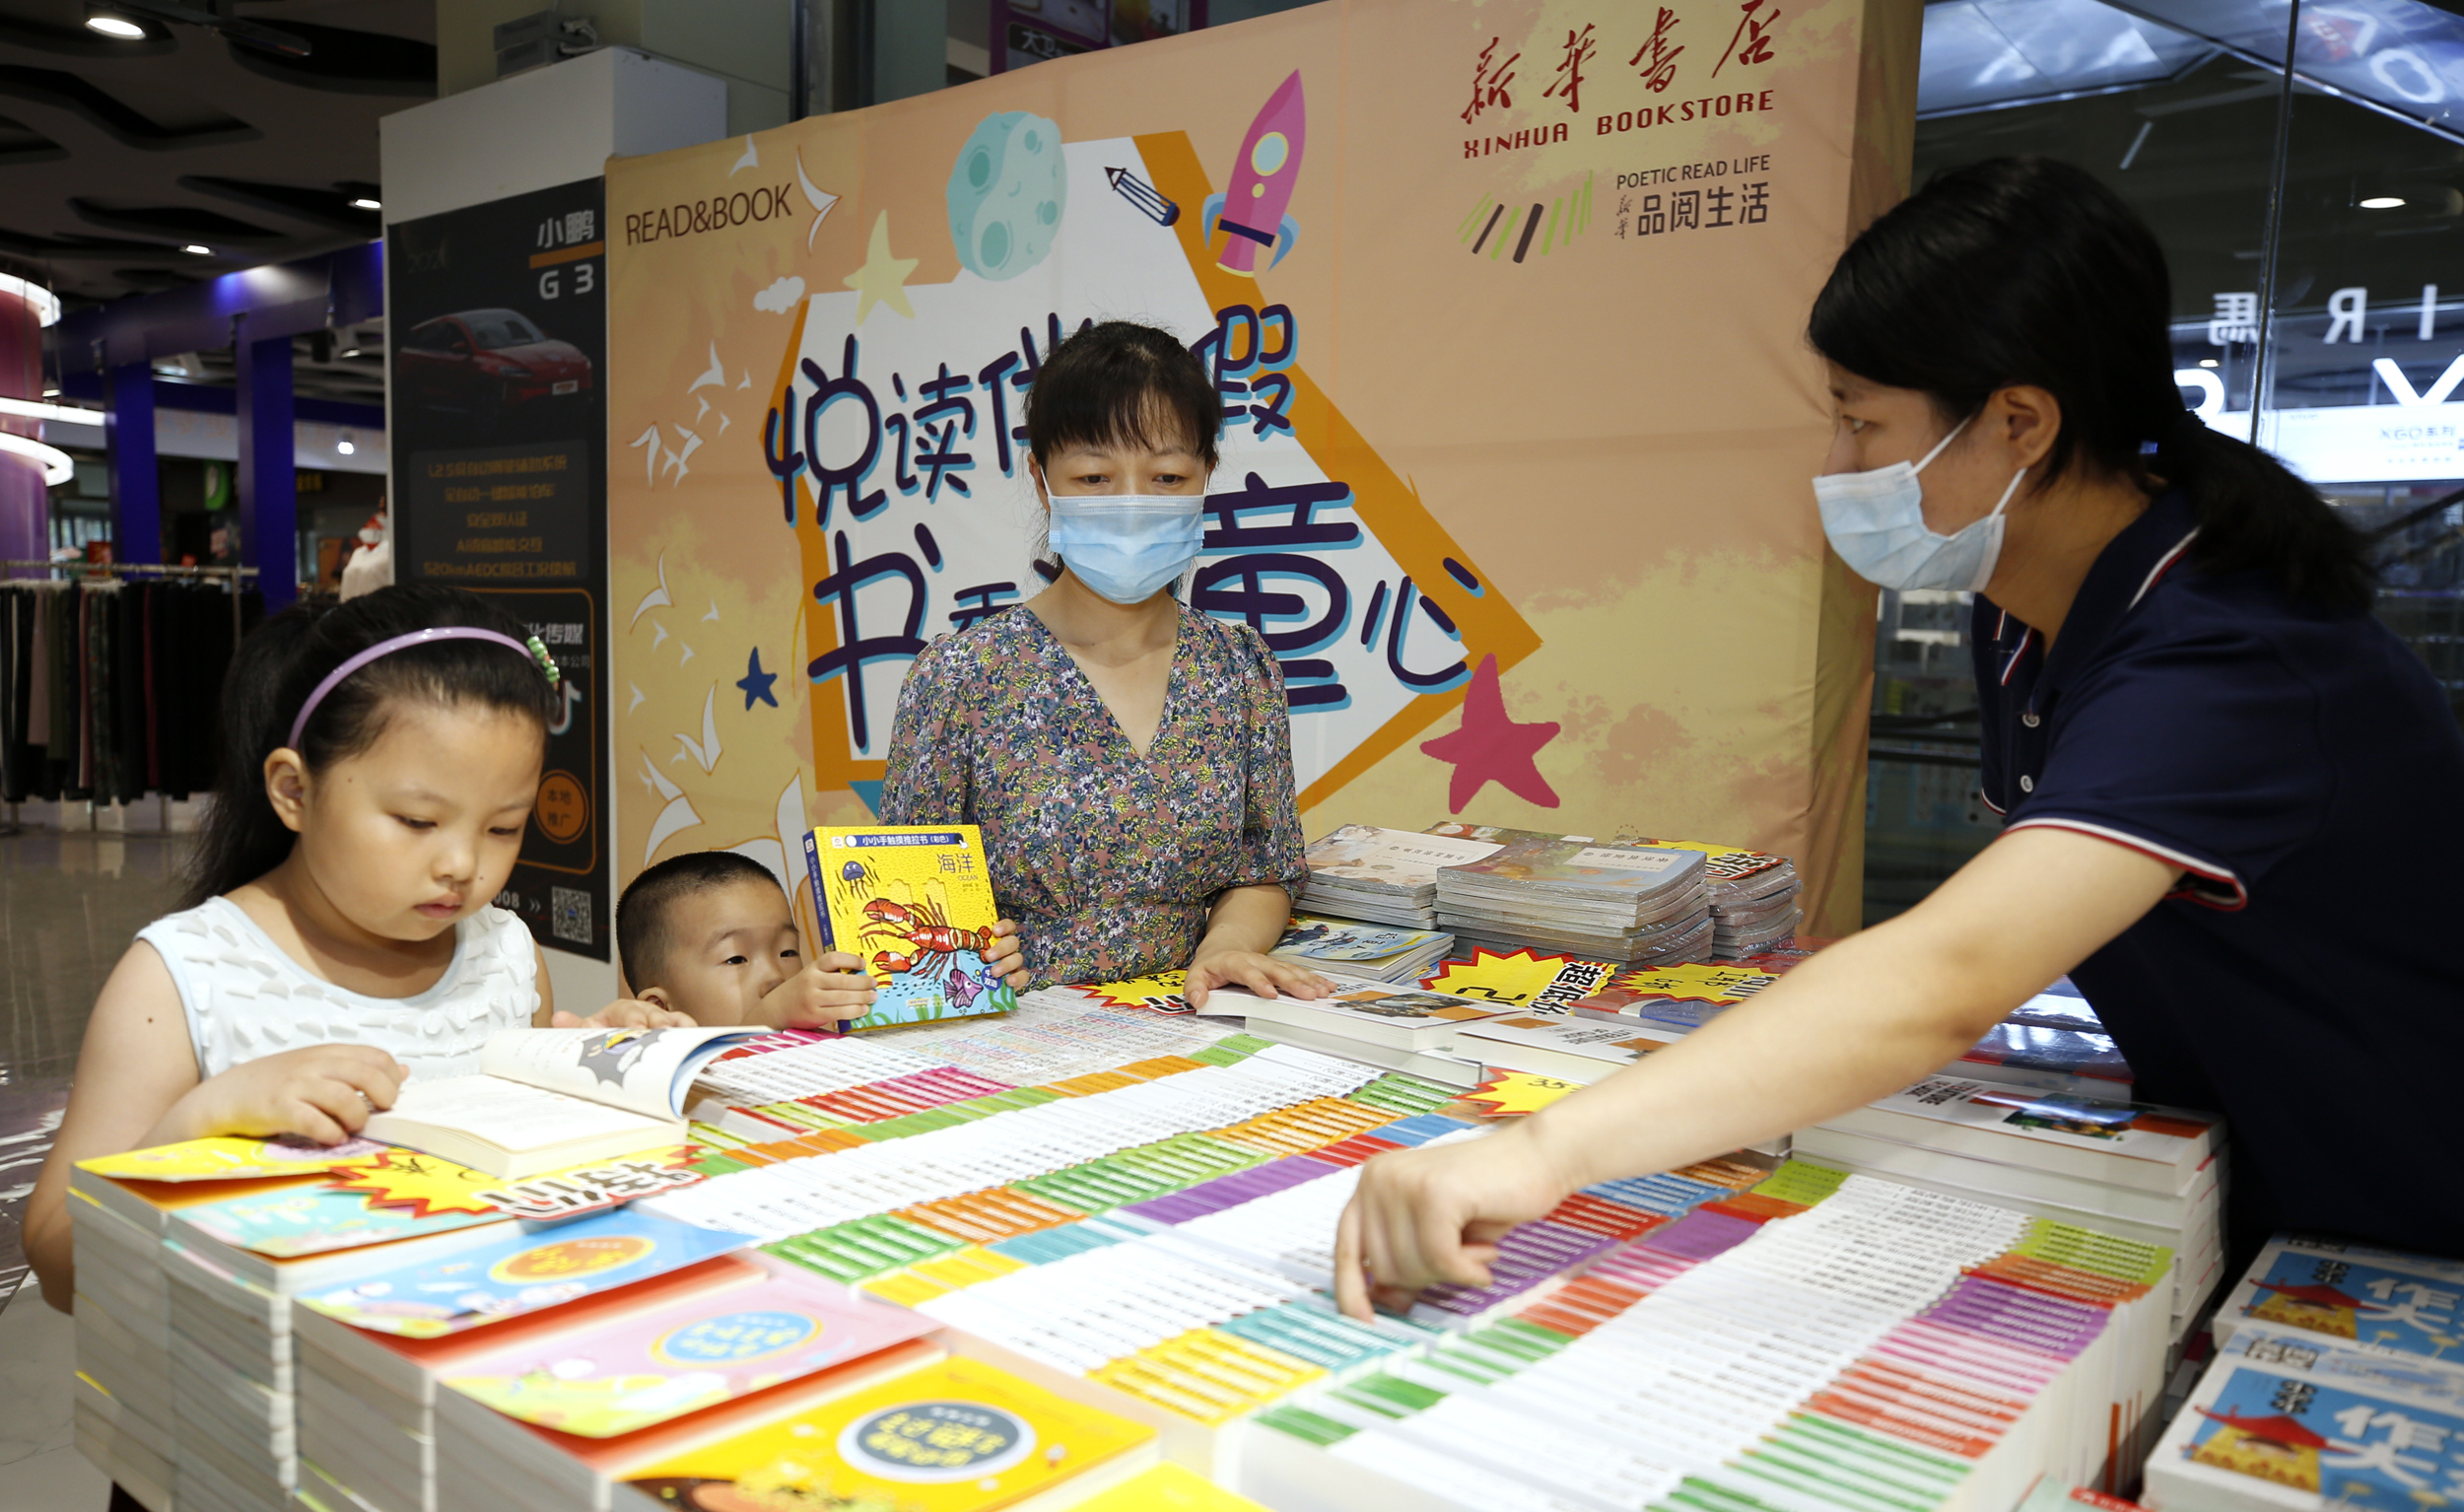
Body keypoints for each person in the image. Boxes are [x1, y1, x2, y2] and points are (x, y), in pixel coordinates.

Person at [1335, 156, 2464, 1320]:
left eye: (1861, 422)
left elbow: (1949, 976)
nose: (1837, 470)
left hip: (2400, 1213)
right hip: (2238, 1168)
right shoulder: (2025, 607)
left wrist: (1540, 1151)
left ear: (2019, 423)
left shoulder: (2228, 656)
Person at [25, 585, 688, 1313]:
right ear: (294, 791)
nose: (462, 864)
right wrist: (201, 1121)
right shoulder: (184, 977)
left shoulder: (505, 955)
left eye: (503, 827)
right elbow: (58, 1263)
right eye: (416, 821)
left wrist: (596, 1074)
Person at [879, 320, 1332, 1008]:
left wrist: (1224, 950)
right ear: (1042, 480)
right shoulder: (961, 675)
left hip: (1196, 1016)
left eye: (1167, 477)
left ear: (1206, 476)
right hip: (1016, 1032)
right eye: (1094, 477)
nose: (1132, 505)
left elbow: (1264, 871)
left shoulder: (1241, 667)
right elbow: (904, 912)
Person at [611, 850, 1027, 1027]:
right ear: (660, 1010)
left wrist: (988, 969)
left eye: (787, 951)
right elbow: (722, 1067)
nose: (776, 977)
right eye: (736, 958)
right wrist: (774, 1015)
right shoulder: (665, 1081)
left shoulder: (818, 1026)